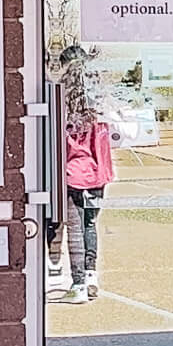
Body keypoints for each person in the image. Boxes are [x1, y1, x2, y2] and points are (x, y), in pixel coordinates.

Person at [56, 45, 115, 304]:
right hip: (97, 176)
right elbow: (102, 147)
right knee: (90, 224)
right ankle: (91, 275)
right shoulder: (98, 111)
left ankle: (78, 283)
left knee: (75, 229)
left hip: (73, 175)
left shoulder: (64, 111)